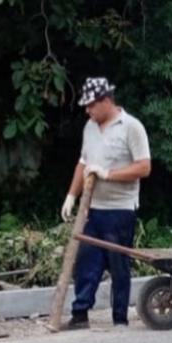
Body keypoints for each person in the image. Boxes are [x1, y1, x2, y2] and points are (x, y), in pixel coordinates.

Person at [61, 77, 151, 329]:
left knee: (118, 265)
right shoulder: (89, 127)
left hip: (120, 210)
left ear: (106, 101)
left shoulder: (131, 127)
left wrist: (108, 174)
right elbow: (82, 161)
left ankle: (120, 318)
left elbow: (144, 167)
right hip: (94, 208)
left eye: (91, 105)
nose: (87, 110)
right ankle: (80, 314)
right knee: (87, 262)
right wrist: (71, 195)